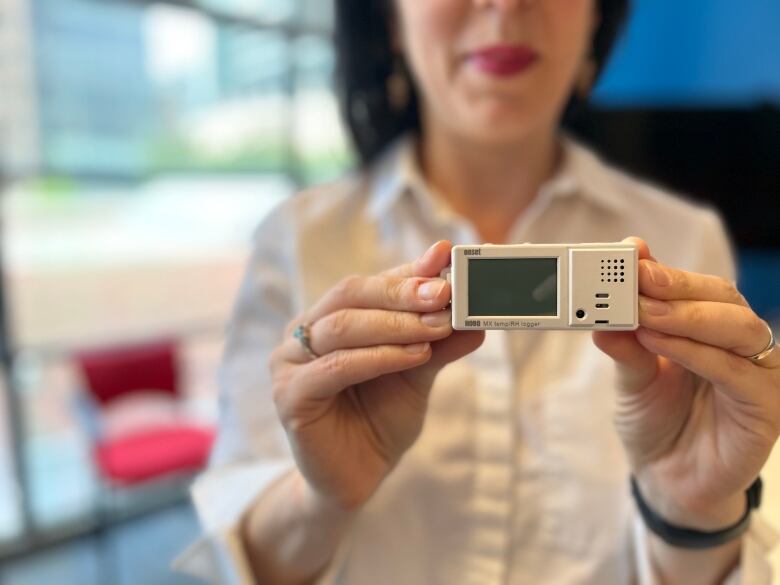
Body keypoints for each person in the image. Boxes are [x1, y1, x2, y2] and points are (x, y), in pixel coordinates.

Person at [178, 0, 780, 583]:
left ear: (597, 14)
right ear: (388, 17)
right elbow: (240, 560)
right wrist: (321, 499)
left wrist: (692, 511)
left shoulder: (687, 244)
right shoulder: (295, 243)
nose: (506, 4)